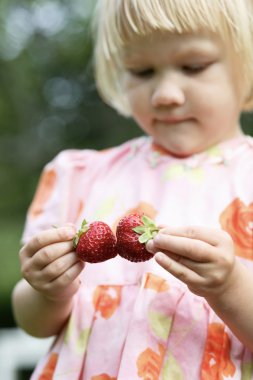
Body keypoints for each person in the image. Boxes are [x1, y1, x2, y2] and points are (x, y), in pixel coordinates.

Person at [12, 0, 253, 378]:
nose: (165, 94)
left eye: (193, 66)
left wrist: (231, 286)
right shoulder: (80, 176)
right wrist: (47, 291)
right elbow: (33, 323)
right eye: (141, 71)